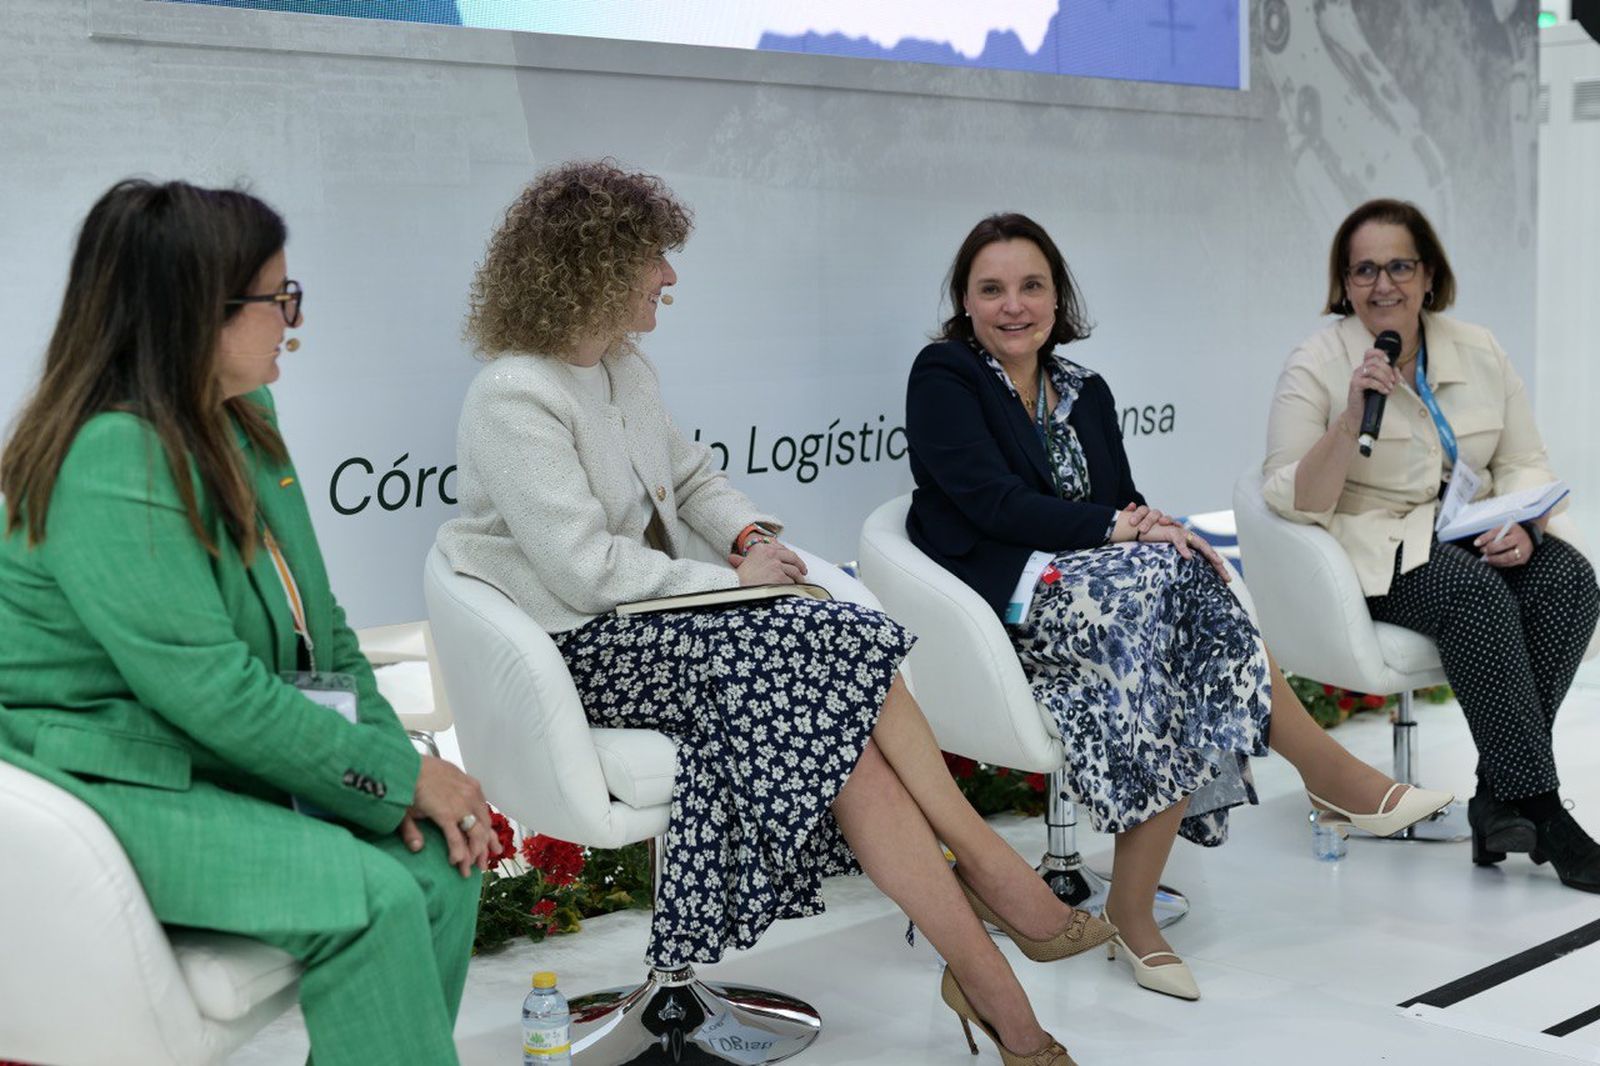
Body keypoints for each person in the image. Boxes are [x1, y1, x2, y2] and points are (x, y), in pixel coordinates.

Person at [438, 161, 1099, 1065]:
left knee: (841, 693)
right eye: (653, 260)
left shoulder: (623, 368)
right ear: (592, 267)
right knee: (835, 640)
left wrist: (748, 533)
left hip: (662, 629)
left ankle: (989, 976)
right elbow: (585, 573)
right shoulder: (513, 395)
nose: (668, 278)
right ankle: (990, 886)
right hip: (581, 648)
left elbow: (698, 480)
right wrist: (741, 582)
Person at [904, 212, 1453, 1002]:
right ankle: (1320, 785)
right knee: (1172, 591)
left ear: (1059, 300)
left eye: (1032, 286)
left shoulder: (1085, 391)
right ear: (966, 300)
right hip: (1006, 602)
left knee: (1190, 579)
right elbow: (991, 504)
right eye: (992, 289)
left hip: (1108, 596)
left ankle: (1140, 906)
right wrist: (1121, 529)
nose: (1013, 305)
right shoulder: (945, 375)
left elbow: (1118, 498)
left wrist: (1152, 524)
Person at [0, 180, 489, 1066]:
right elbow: (213, 692)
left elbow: (324, 633)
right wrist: (393, 775)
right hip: (107, 784)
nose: (292, 322)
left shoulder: (244, 416)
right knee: (374, 899)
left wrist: (407, 770)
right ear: (198, 313)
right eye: (278, 299)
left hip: (203, 756)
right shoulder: (110, 454)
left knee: (444, 868)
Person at [1263, 197, 1600, 890]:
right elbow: (1289, 491)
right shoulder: (1317, 362)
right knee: (1473, 595)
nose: (1382, 285)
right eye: (1364, 270)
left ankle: (1497, 797)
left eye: (1398, 266)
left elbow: (1524, 458)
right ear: (1344, 282)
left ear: (1427, 275)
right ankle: (1539, 807)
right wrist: (1352, 411)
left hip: (1470, 529)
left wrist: (1525, 525)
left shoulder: (1477, 348)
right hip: (1374, 544)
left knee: (1570, 581)